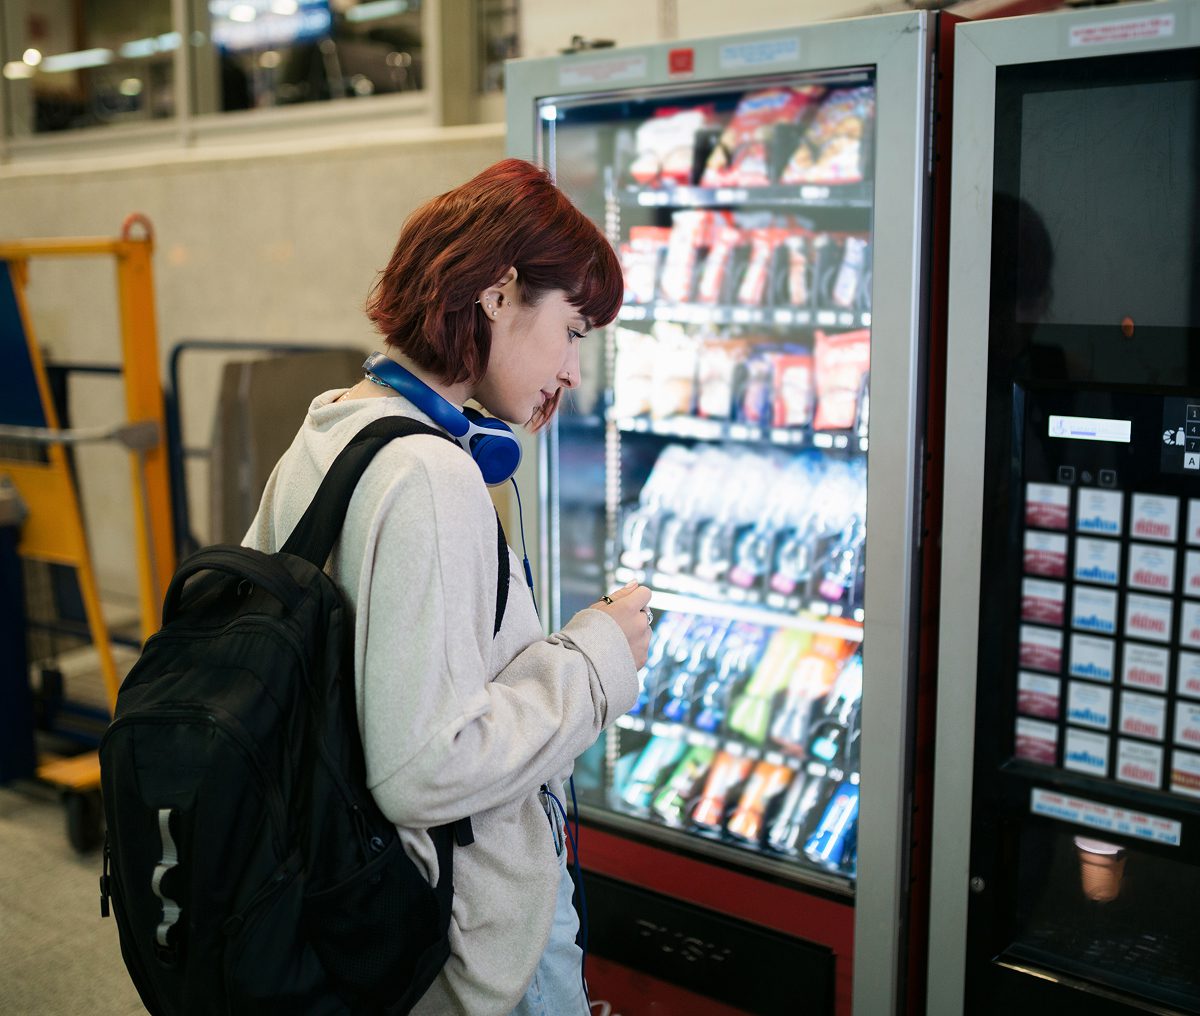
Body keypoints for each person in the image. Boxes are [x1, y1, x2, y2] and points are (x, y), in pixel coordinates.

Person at [244, 158, 650, 1015]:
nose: (573, 369)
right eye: (573, 328)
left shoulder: (334, 425)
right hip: (462, 950)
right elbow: (426, 764)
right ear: (499, 294)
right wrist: (596, 658)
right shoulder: (431, 475)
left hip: (348, 914)